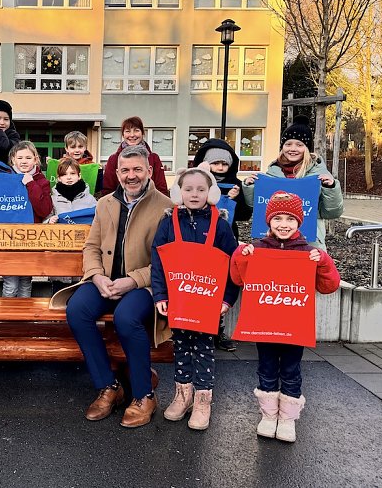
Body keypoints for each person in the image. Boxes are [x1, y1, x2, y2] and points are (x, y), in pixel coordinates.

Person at [63, 145, 173, 428]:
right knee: (77, 310)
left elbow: (166, 261)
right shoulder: (105, 203)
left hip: (143, 286)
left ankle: (144, 395)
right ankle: (109, 386)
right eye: (125, 170)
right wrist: (96, 276)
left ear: (149, 171)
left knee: (126, 317)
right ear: (116, 172)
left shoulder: (166, 208)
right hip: (106, 281)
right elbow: (92, 246)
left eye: (137, 169)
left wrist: (132, 280)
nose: (131, 175)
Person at [230, 191, 340, 443]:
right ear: (268, 221)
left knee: (291, 370)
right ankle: (269, 416)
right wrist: (240, 256)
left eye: (290, 219)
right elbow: (237, 278)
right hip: (265, 325)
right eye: (277, 218)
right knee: (266, 368)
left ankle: (288, 418)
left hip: (293, 327)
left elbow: (329, 285)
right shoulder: (257, 248)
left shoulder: (308, 252)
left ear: (299, 222)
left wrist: (323, 261)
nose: (283, 224)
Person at [151, 163, 239, 431]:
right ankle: (183, 394)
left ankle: (203, 400)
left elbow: (232, 264)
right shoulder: (168, 222)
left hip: (208, 300)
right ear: (179, 192)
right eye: (188, 189)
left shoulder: (221, 225)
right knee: (181, 345)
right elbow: (158, 259)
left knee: (203, 348)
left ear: (210, 193)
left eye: (201, 189)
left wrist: (227, 299)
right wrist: (160, 294)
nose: (194, 194)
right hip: (178, 298)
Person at [242, 115, 344, 251]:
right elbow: (259, 208)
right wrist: (250, 187)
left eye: (299, 145)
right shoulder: (272, 173)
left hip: (309, 244)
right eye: (288, 144)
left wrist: (330, 188)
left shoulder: (319, 176)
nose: (293, 149)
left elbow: (332, 212)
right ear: (282, 147)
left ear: (307, 148)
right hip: (273, 243)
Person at [194, 137, 254, 353]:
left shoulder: (236, 184)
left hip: (226, 240)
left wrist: (235, 198)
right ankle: (195, 327)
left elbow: (245, 215)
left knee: (222, 285)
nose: (220, 167)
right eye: (215, 163)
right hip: (198, 240)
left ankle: (217, 330)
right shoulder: (196, 180)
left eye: (224, 163)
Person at [0, 140, 52, 297]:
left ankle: (24, 312)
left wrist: (31, 184)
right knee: (11, 284)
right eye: (20, 158)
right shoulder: (5, 178)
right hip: (9, 238)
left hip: (31, 240)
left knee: (26, 282)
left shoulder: (41, 181)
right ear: (13, 159)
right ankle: (6, 312)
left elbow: (44, 209)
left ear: (35, 159)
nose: (24, 161)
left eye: (28, 157)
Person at [101, 116, 168, 196]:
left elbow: (162, 189)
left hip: (150, 202)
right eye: (128, 131)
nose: (132, 135)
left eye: (136, 131)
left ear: (142, 133)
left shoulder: (154, 158)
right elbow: (107, 191)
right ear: (123, 134)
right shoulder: (114, 159)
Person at [45, 157, 98, 223]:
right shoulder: (52, 200)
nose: (69, 177)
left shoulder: (90, 199)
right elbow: (44, 221)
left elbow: (98, 219)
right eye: (64, 174)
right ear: (59, 178)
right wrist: (49, 220)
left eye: (72, 173)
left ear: (79, 176)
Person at [62, 130, 102, 194]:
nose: (77, 150)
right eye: (73, 147)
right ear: (66, 148)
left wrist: (99, 172)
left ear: (85, 147)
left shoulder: (91, 165)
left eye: (80, 147)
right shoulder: (61, 165)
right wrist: (51, 164)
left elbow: (97, 188)